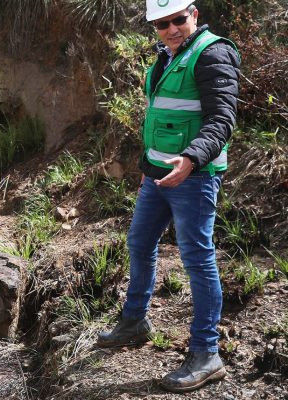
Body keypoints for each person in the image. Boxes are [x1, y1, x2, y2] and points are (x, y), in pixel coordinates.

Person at [96, 0, 241, 393]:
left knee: (197, 258)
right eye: (163, 23)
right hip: (157, 175)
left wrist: (192, 159)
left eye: (179, 19)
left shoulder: (213, 53)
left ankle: (206, 353)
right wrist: (148, 164)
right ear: (154, 27)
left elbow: (222, 118)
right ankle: (134, 321)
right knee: (140, 243)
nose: (173, 28)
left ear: (193, 13)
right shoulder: (167, 55)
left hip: (193, 176)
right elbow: (160, 115)